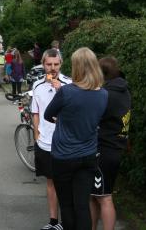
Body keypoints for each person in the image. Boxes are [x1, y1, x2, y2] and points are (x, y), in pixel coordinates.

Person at [44, 47, 108, 230]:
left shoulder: (67, 92)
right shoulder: (103, 94)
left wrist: (62, 120)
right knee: (82, 205)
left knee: (67, 205)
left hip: (63, 155)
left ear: (76, 67)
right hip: (88, 156)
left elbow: (49, 115)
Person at [31, 48, 71, 230]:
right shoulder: (37, 85)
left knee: (65, 183)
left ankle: (66, 221)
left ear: (61, 64)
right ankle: (53, 221)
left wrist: (61, 90)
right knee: (50, 182)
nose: (52, 68)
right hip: (45, 142)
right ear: (43, 65)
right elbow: (35, 112)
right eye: (49, 64)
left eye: (56, 64)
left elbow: (73, 111)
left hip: (65, 143)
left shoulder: (69, 84)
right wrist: (37, 136)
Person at [90, 57, 131, 230]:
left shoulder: (106, 94)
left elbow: (93, 119)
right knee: (93, 195)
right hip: (116, 148)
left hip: (103, 151)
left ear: (102, 74)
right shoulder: (124, 90)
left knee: (104, 197)